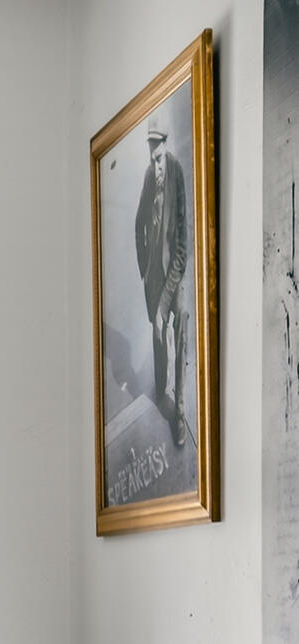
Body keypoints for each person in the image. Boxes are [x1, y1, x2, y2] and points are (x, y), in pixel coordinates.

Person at [134, 113, 189, 448]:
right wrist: (143, 268)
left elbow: (183, 246)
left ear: (166, 148)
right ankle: (160, 383)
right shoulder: (147, 176)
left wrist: (165, 299)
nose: (155, 165)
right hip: (155, 272)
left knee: (177, 320)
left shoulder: (177, 173)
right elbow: (138, 222)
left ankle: (180, 407)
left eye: (158, 158)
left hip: (176, 273)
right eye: (150, 157)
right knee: (157, 332)